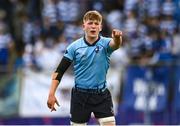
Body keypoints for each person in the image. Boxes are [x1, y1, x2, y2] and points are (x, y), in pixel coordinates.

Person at [47, 10, 123, 125]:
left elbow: (116, 44)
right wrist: (51, 94)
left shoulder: (106, 44)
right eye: (90, 23)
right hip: (80, 96)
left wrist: (117, 37)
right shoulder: (74, 47)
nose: (93, 26)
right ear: (84, 26)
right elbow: (59, 71)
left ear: (100, 27)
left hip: (101, 95)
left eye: (96, 24)